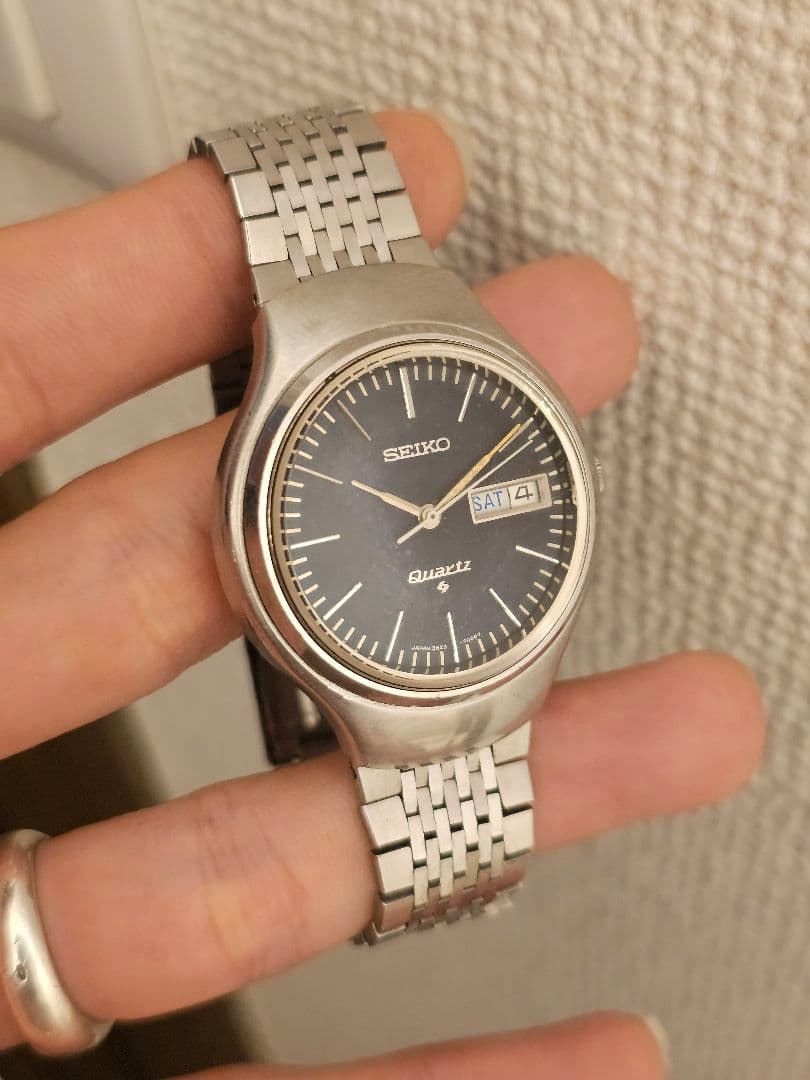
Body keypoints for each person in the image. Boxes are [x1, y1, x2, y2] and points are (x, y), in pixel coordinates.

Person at [0, 110, 765, 1078]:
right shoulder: (274, 503)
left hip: (491, 644)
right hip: (376, 654)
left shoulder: (502, 415)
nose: (430, 518)